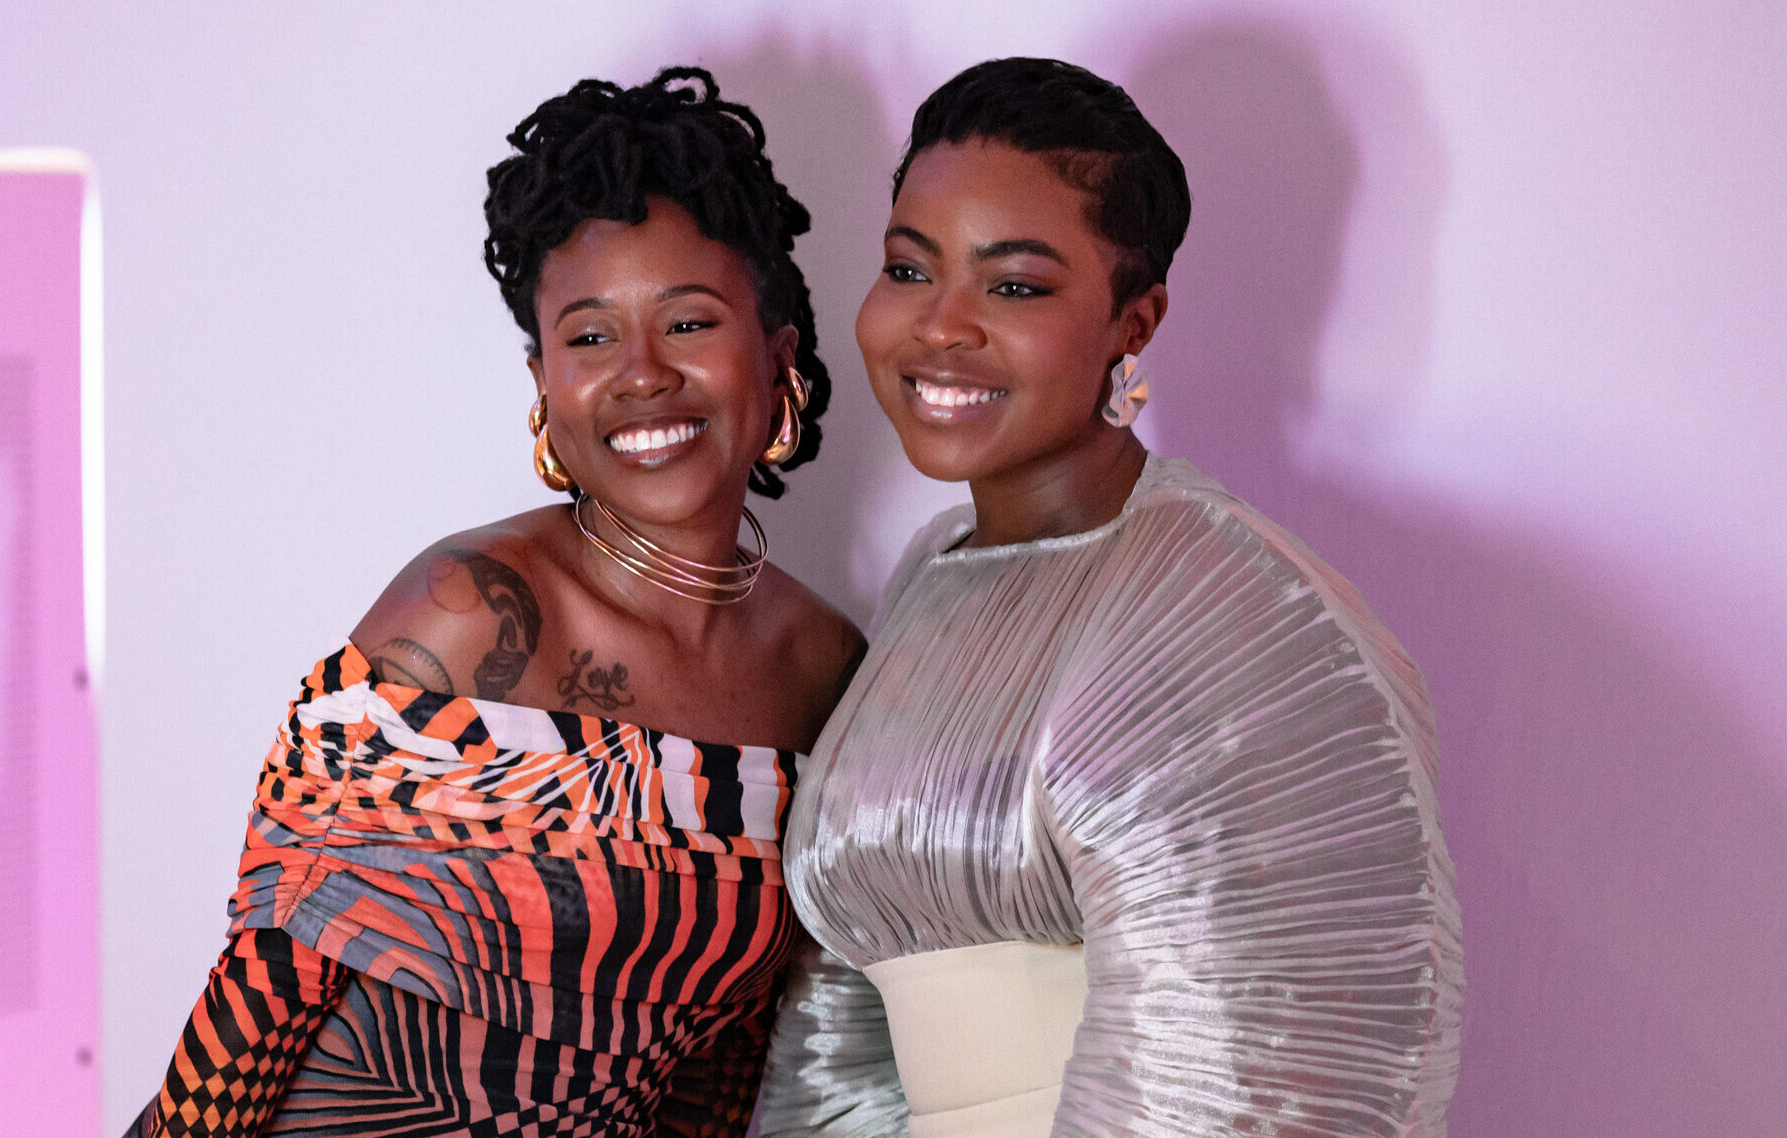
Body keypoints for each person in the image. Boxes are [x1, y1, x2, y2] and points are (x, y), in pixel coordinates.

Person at [133, 67, 865, 1138]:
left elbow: (729, 1060)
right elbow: (260, 1002)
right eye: (588, 336)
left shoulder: (819, 665)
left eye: (689, 322)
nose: (640, 374)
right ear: (542, 386)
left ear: (776, 360)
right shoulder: (469, 614)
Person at [760, 58, 1461, 1138]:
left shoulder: (1242, 618)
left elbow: (1268, 1077)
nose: (940, 326)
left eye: (1016, 286)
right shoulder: (927, 578)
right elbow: (840, 1036)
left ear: (1134, 321)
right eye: (909, 269)